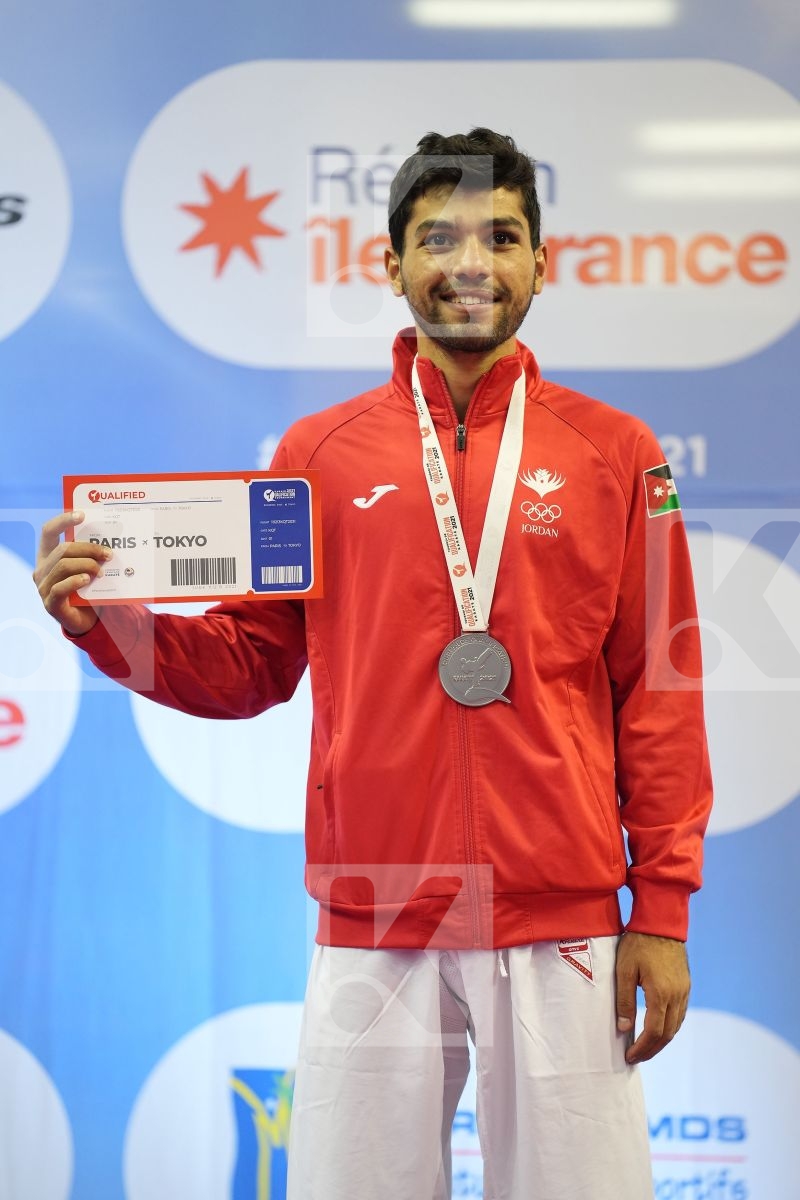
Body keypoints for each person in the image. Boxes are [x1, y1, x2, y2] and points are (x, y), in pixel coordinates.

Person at [35, 128, 712, 1200]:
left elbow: (659, 691)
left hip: (564, 920)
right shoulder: (319, 452)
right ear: (387, 263)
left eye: (500, 237)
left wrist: (661, 912)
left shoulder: (616, 453)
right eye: (436, 238)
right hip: (375, 910)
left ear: (544, 261)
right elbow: (250, 662)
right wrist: (105, 623)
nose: (469, 265)